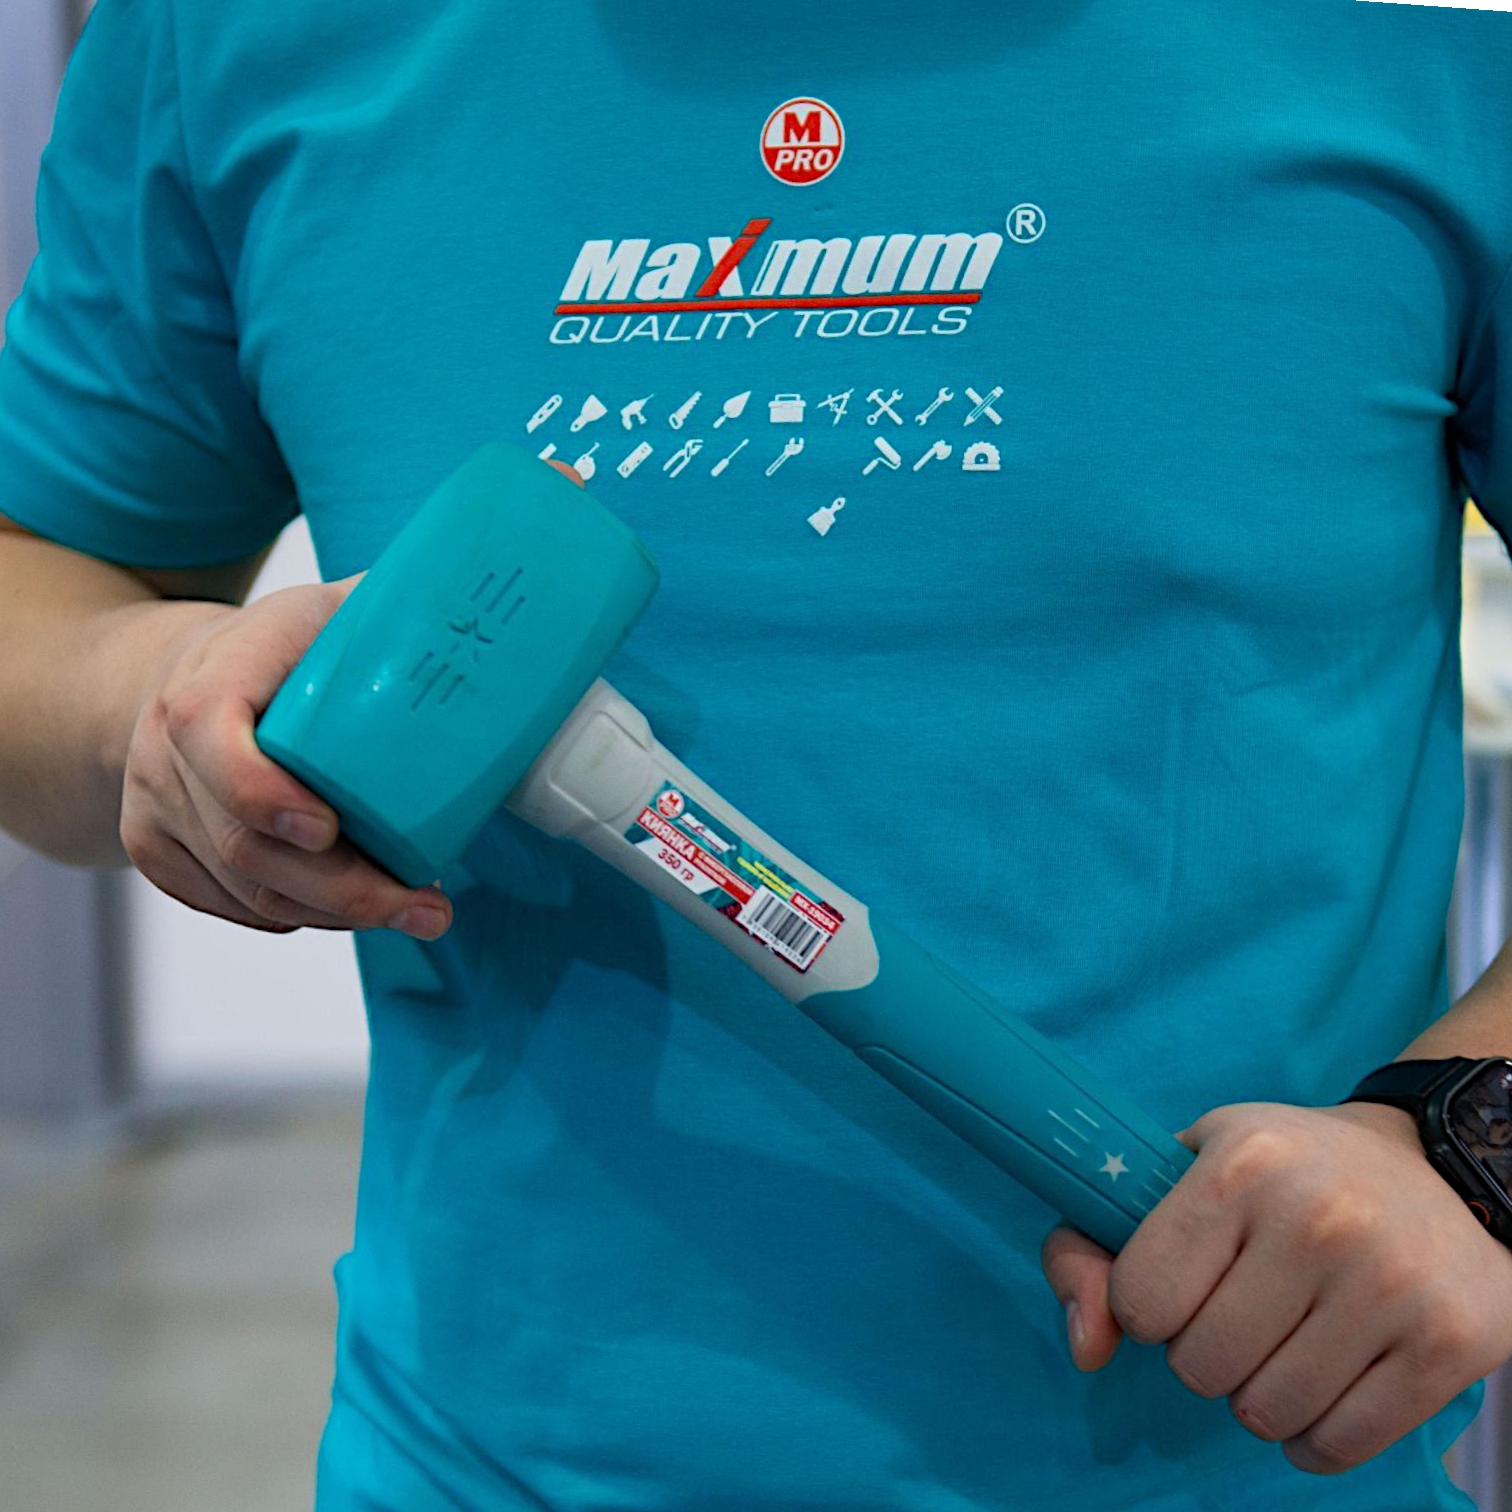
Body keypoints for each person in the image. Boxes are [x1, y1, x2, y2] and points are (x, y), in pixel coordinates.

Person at [3, 0, 1512, 1507]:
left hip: (1248, 1457)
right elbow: (40, 584)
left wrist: (1469, 1137)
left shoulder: (1434, 45)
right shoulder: (234, 34)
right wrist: (151, 695)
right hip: (485, 1467)